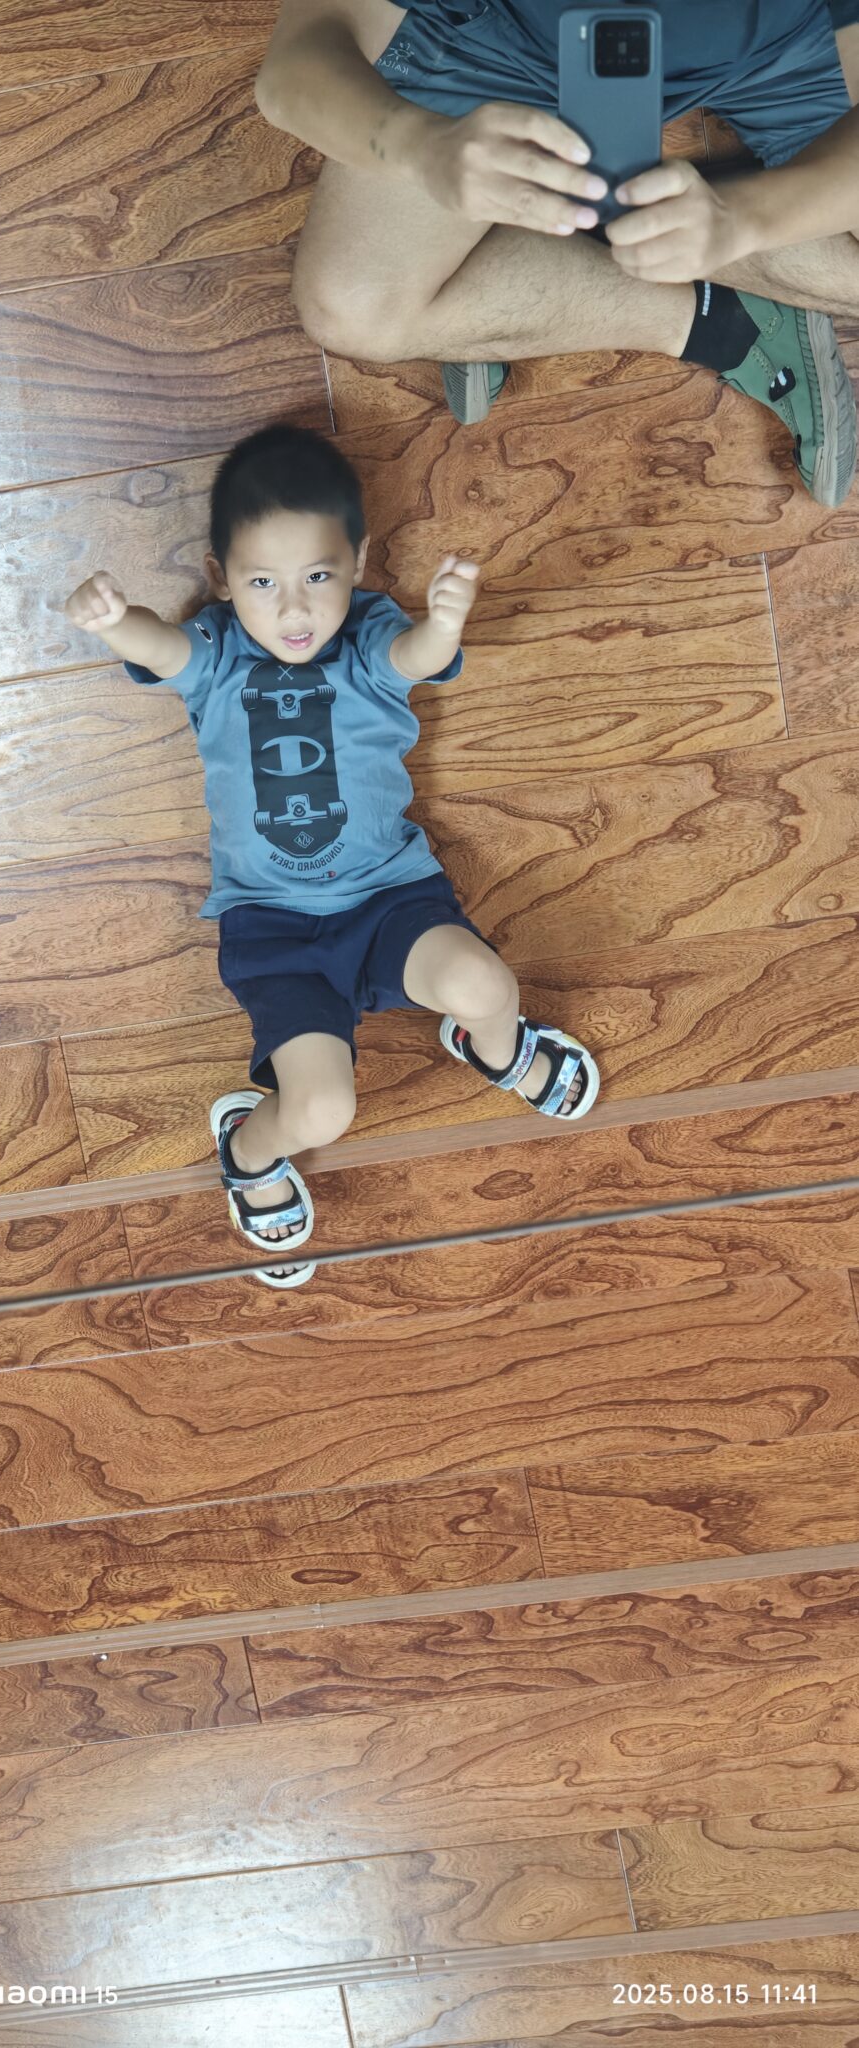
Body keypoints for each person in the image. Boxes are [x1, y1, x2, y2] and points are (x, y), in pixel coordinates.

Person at [63, 426, 600, 1289]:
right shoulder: (217, 655)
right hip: (273, 930)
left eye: (318, 577)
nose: (295, 611)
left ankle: (496, 1049)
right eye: (263, 584)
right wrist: (114, 621)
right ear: (220, 579)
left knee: (487, 984)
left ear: (357, 562)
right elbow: (159, 648)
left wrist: (444, 622)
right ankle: (248, 1150)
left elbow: (414, 657)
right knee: (320, 1111)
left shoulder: (369, 635)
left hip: (391, 899)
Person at [255, 0, 859, 504]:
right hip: (504, 48)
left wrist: (745, 219)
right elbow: (296, 59)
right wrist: (422, 145)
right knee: (353, 306)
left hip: (793, 43)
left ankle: (538, 235)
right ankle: (723, 321)